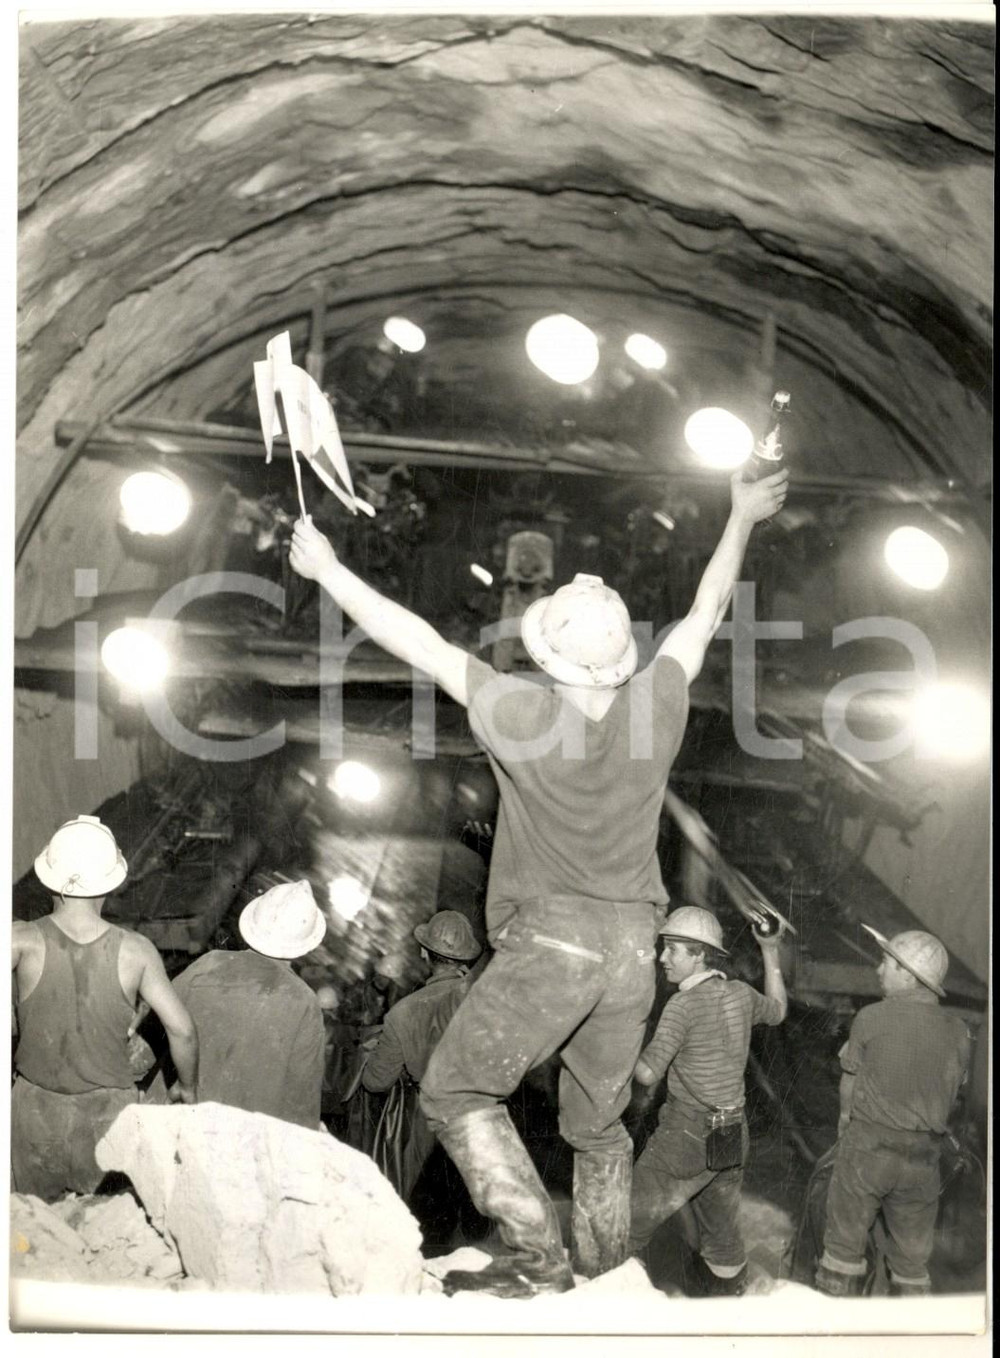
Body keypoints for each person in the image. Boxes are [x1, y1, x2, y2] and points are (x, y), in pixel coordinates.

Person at [290, 465, 786, 1297]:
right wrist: (739, 516)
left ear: (545, 648)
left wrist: (329, 570)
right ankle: (602, 1274)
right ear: (623, 657)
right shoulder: (655, 707)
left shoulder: (518, 709)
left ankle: (537, 1254)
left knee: (452, 1090)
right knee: (598, 1127)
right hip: (635, 950)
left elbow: (421, 642)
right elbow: (705, 614)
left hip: (554, 940)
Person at [11, 815, 199, 1201]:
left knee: (34, 1236)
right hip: (108, 1119)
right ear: (110, 884)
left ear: (49, 877)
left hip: (33, 1113)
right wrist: (188, 1087)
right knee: (103, 1235)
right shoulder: (137, 950)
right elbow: (182, 1030)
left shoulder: (19, 939)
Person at [628, 906, 788, 1296]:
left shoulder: (681, 1006)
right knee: (722, 1237)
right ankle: (730, 1308)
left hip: (686, 1136)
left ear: (700, 954)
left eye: (674, 950)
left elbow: (647, 1073)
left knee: (624, 1227)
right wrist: (770, 948)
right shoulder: (740, 994)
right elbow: (779, 1010)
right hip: (731, 1132)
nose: (663, 958)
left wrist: (614, 1046)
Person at [815, 926, 971, 1298]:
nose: (878, 970)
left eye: (886, 962)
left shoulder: (871, 1017)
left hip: (869, 1150)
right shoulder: (960, 1031)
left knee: (843, 1250)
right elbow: (952, 1095)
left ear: (908, 973)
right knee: (912, 1265)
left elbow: (849, 1085)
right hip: (923, 1161)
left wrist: (844, 1127)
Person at [153, 880, 327, 1130]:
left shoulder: (207, 964)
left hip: (182, 1124)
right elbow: (301, 1100)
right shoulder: (304, 1001)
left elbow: (157, 1025)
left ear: (252, 924)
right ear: (306, 944)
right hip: (248, 1141)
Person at [363, 911, 482, 1206]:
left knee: (425, 1208)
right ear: (465, 958)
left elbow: (375, 1082)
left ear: (423, 952)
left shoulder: (403, 1012)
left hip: (428, 1122)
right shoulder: (485, 999)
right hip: (481, 1117)